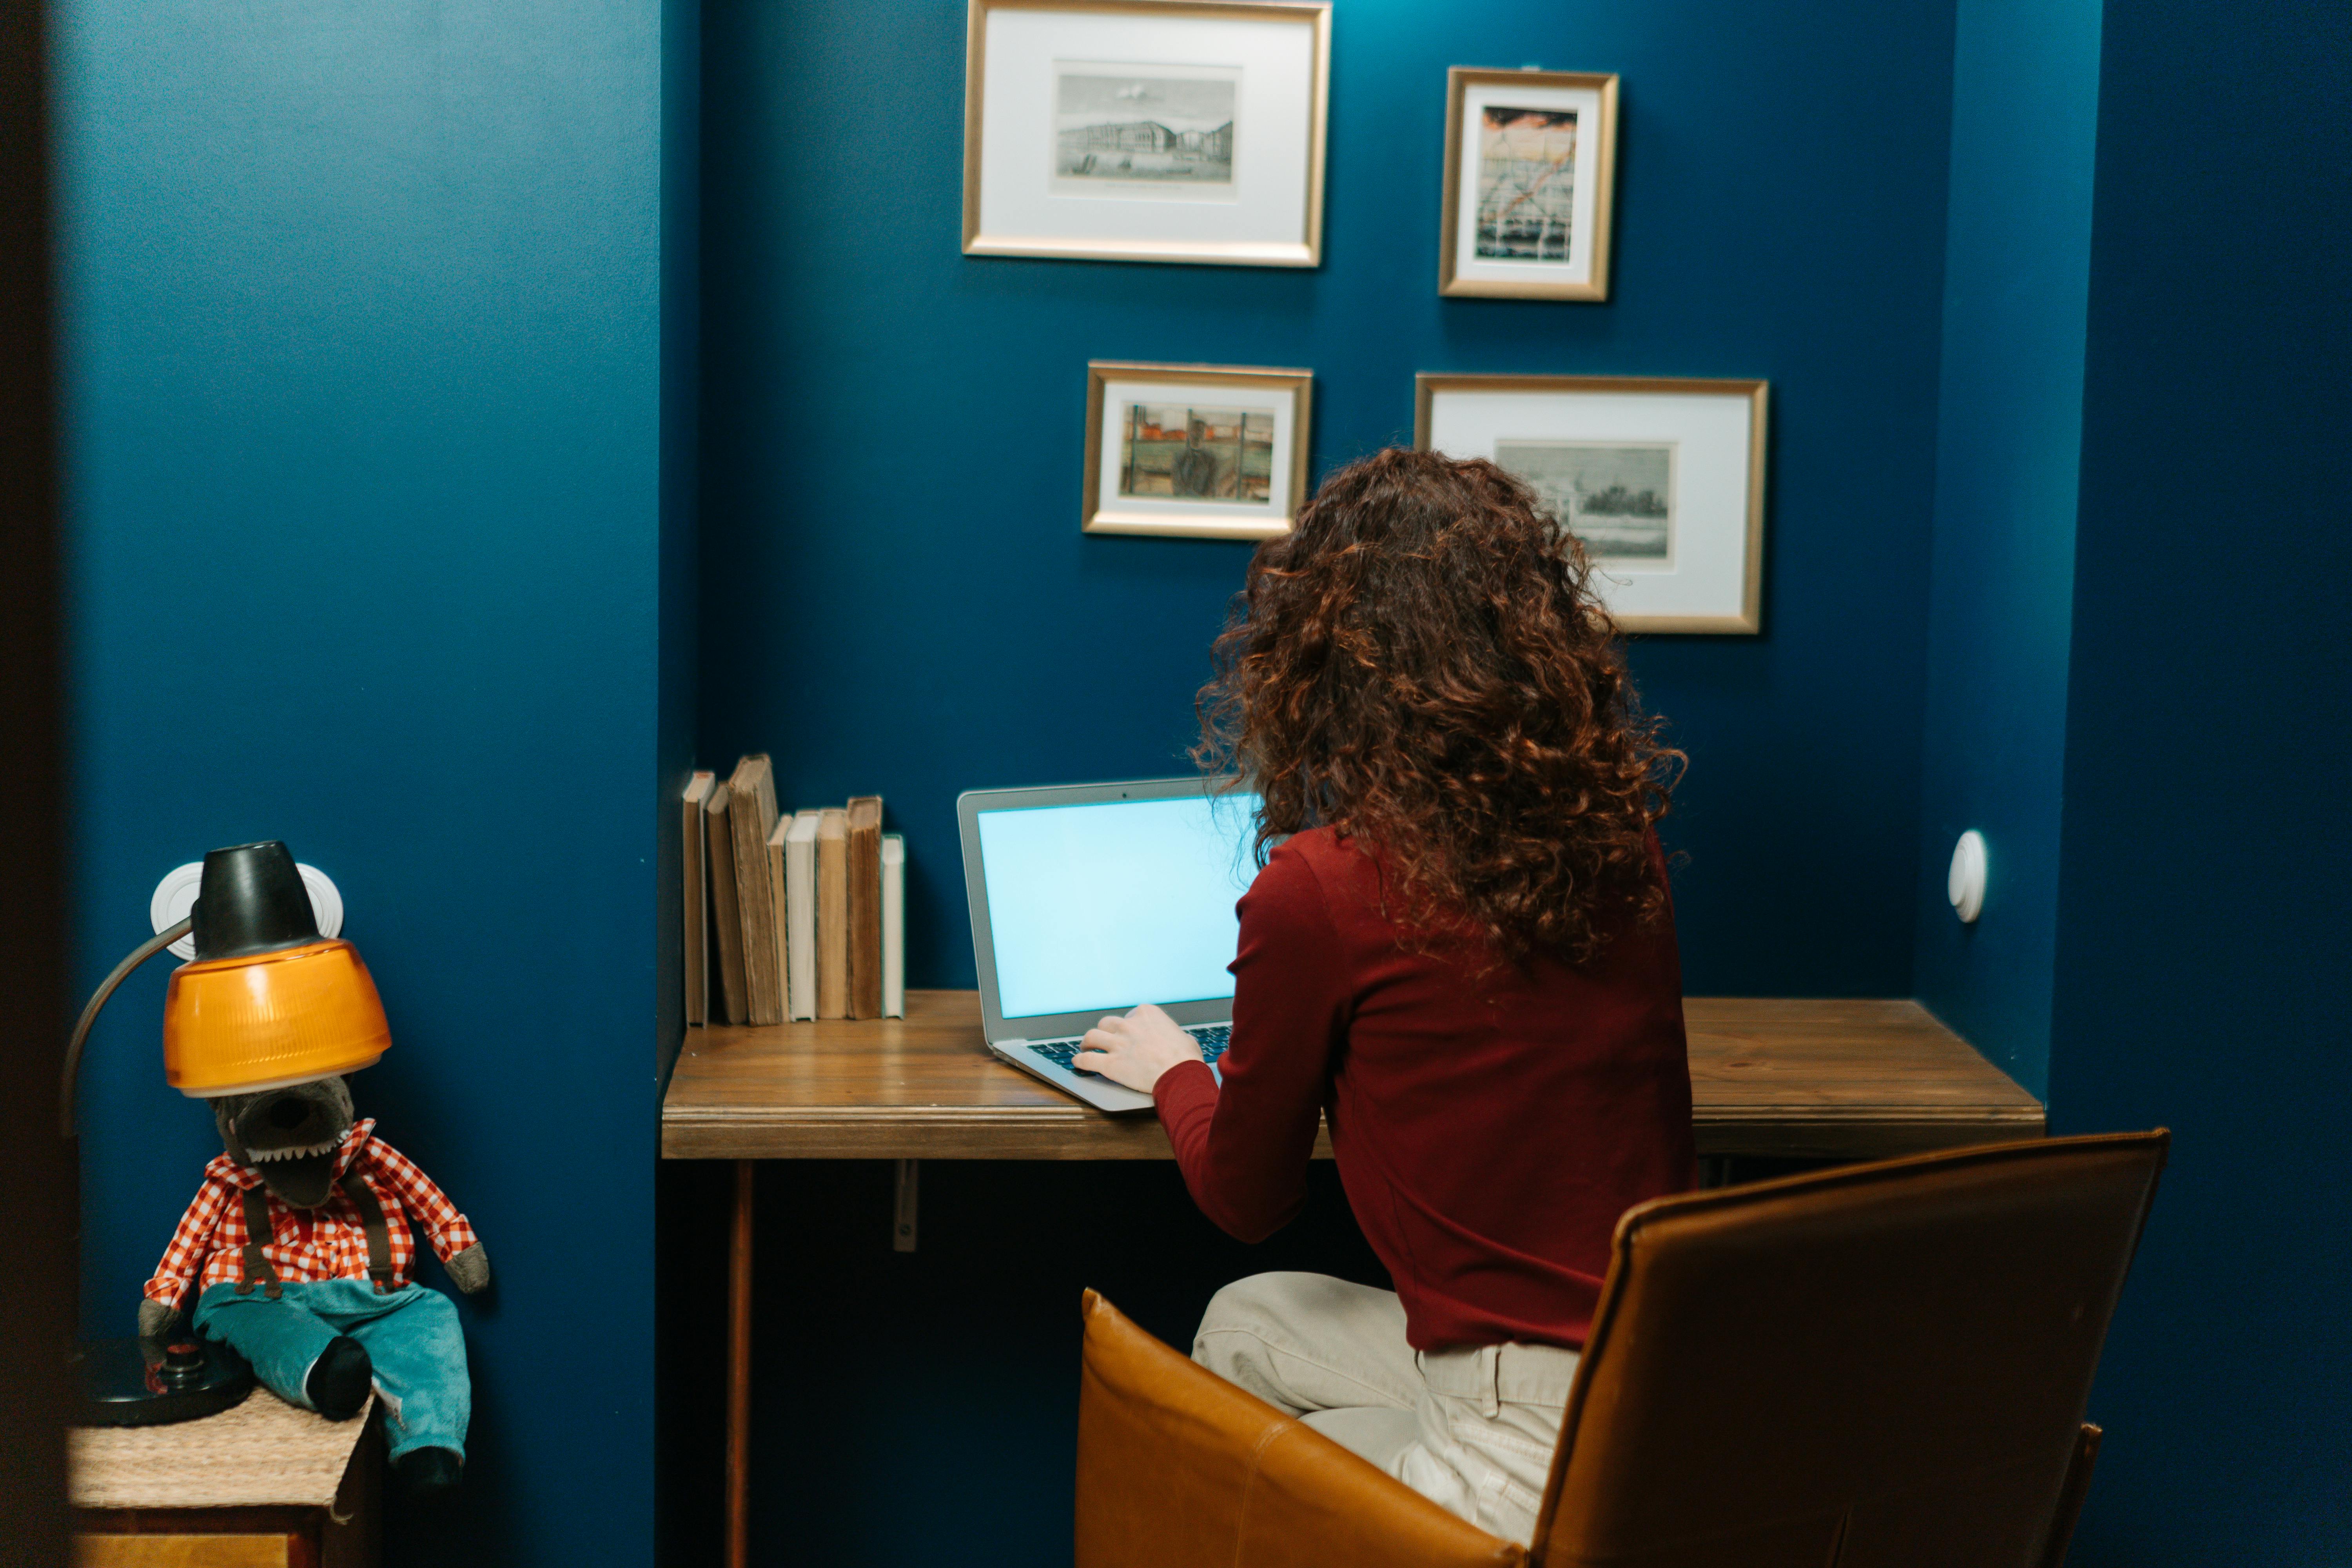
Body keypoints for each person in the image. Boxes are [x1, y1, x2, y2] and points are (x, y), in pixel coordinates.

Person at [1073, 447, 1695, 1546]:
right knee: (1246, 1326)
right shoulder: (1619, 847)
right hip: (1655, 1388)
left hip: (1513, 1442)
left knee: (1212, 1492)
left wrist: (1178, 1069)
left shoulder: (1318, 888)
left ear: (1324, 664)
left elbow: (1247, 1199)